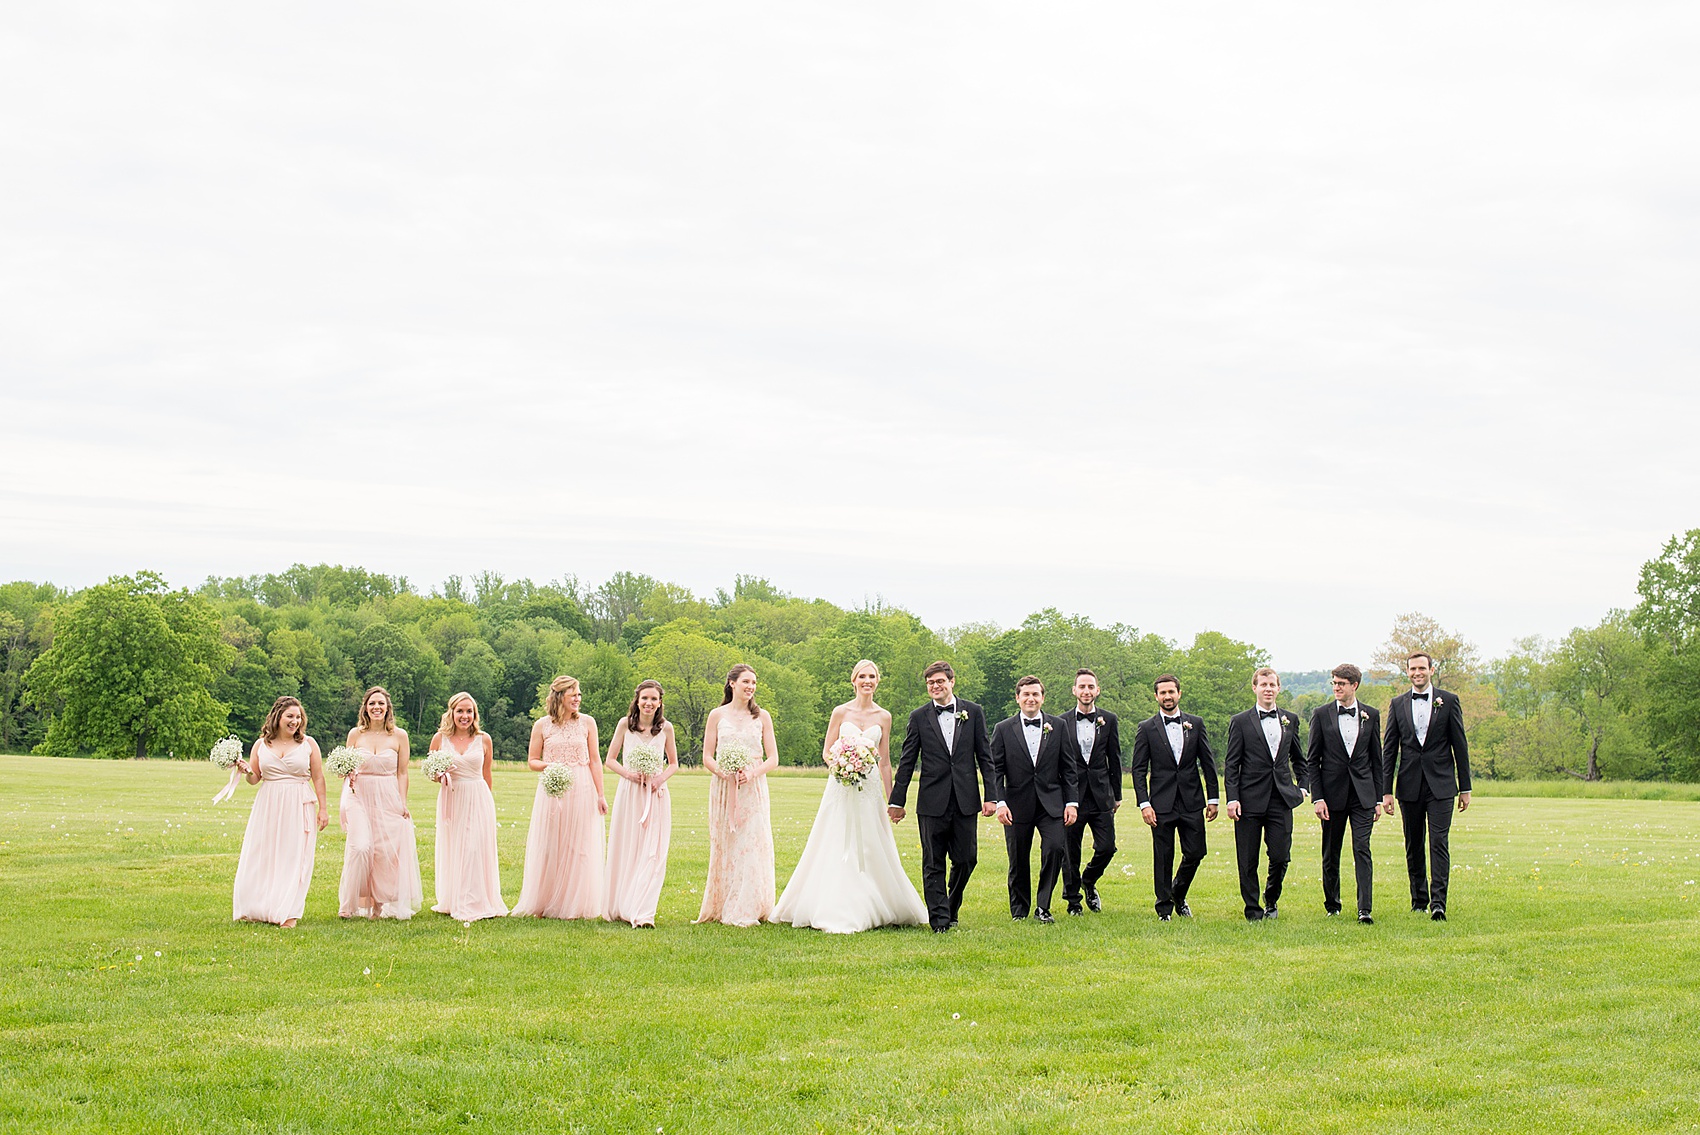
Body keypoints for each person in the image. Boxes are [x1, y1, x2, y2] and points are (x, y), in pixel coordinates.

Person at [775, 660, 929, 932]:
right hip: (841, 785)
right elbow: (826, 750)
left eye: (871, 676)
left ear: (877, 681)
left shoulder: (884, 716)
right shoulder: (840, 712)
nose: (867, 681)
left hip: (868, 789)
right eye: (862, 676)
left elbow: (883, 761)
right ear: (854, 680)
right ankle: (834, 904)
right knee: (835, 838)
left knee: (871, 841)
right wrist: (841, 763)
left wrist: (892, 799)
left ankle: (876, 900)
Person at [888, 660, 998, 933]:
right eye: (930, 683)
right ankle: (939, 920)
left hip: (965, 799)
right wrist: (896, 800)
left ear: (951, 682)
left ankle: (951, 906)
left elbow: (985, 756)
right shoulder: (918, 716)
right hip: (931, 801)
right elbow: (907, 760)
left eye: (940, 682)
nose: (935, 687)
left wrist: (992, 796)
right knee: (933, 861)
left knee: (966, 859)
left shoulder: (974, 712)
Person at [1382, 651, 1471, 921]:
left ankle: (1438, 903)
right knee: (1413, 843)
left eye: (1422, 668)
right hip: (1409, 784)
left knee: (1438, 842)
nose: (1417, 673)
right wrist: (1386, 790)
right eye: (1412, 669)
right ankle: (1418, 899)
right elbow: (1390, 750)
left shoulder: (1449, 701)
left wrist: (1465, 787)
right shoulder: (1397, 704)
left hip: (1442, 785)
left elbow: (1460, 746)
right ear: (1407, 672)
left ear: (1431, 670)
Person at [514, 675, 609, 919]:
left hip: (583, 787)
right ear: (560, 697)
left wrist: (601, 794)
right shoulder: (542, 725)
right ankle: (546, 901)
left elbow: (595, 760)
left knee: (579, 845)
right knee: (551, 843)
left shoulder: (587, 723)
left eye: (579, 694)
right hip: (553, 789)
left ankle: (576, 904)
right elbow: (532, 761)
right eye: (573, 694)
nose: (578, 698)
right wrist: (552, 768)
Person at [231, 696, 328, 927]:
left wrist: (323, 809)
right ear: (278, 717)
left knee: (294, 856)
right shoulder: (261, 745)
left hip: (298, 803)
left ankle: (288, 912)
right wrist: (245, 770)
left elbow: (318, 777)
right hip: (269, 803)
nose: (295, 721)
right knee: (263, 854)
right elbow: (255, 779)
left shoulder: (308, 744)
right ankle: (258, 906)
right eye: (290, 716)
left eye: (298, 717)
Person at [989, 676, 1079, 922]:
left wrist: (1072, 802)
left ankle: (1043, 906)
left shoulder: (1058, 726)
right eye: (1026, 694)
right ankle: (1019, 910)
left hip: (1052, 803)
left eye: (1035, 694)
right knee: (1018, 857)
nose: (1031, 699)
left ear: (1042, 698)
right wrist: (1000, 802)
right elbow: (995, 769)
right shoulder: (1003, 729)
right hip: (1016, 805)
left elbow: (1069, 768)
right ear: (1017, 698)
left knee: (1055, 848)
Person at [695, 664, 779, 926]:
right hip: (724, 785)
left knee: (751, 842)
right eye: (745, 682)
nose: (750, 687)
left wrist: (751, 773)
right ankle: (723, 903)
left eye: (754, 682)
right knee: (727, 841)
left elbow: (774, 758)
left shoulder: (762, 716)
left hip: (752, 787)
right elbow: (707, 756)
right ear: (732, 683)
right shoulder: (716, 715)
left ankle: (749, 905)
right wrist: (724, 772)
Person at [1129, 674, 1219, 921]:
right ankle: (1164, 908)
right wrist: (1144, 803)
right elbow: (1138, 769)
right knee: (1163, 856)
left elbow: (1208, 764)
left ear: (1179, 693)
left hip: (1192, 800)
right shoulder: (1146, 728)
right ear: (1156, 696)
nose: (1167, 696)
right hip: (1160, 803)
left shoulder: (1196, 724)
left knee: (1196, 852)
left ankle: (1178, 892)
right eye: (1163, 692)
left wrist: (1214, 798)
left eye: (1171, 691)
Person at [1224, 668, 1308, 921]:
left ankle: (1271, 899)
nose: (1268, 688)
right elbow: (1232, 764)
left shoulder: (1290, 719)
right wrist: (1232, 798)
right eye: (1263, 684)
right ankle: (1252, 910)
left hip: (1281, 798)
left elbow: (1299, 758)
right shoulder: (1240, 721)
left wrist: (1303, 787)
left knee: (1281, 855)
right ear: (1255, 688)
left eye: (1272, 684)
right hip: (1248, 800)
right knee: (1247, 859)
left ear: (1279, 688)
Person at [336, 685, 423, 919]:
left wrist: (402, 803)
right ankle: (350, 903)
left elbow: (402, 772)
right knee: (361, 847)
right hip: (359, 795)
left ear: (388, 708)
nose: (376, 707)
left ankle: (379, 903)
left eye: (381, 704)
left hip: (387, 794)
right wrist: (344, 772)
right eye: (372, 703)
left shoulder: (399, 735)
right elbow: (346, 766)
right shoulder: (356, 734)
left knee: (384, 851)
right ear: (365, 707)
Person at [1306, 664, 1384, 924]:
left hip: (1362, 795)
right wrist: (1318, 798)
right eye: (1334, 683)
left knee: (1362, 848)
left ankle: (1365, 909)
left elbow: (1376, 759)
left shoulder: (1371, 715)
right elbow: (1312, 760)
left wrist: (1377, 798)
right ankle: (1333, 904)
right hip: (1331, 796)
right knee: (1331, 852)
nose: (1337, 687)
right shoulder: (1321, 714)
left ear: (1355, 685)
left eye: (1341, 683)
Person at [604, 680, 679, 927]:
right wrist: (630, 775)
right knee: (629, 847)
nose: (649, 703)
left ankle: (644, 913)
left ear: (660, 704)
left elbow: (674, 763)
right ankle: (624, 904)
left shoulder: (666, 728)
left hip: (656, 795)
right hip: (631, 793)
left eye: (654, 699)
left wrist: (659, 779)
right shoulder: (625, 725)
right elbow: (610, 760)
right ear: (637, 700)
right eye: (645, 698)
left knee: (652, 852)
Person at [428, 691, 508, 921]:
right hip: (452, 797)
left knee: (474, 847)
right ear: (451, 713)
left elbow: (487, 774)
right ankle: (455, 899)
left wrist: (489, 805)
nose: (465, 716)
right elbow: (431, 772)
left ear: (475, 714)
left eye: (469, 711)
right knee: (455, 847)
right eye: (460, 711)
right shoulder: (439, 739)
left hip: (478, 796)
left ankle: (473, 902)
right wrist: (437, 775)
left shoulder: (484, 739)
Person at [1059, 668, 1122, 913]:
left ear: (1097, 690)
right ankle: (1073, 901)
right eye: (1082, 687)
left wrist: (1117, 795)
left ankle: (1089, 880)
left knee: (1107, 847)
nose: (1086, 691)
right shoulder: (1060, 722)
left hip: (1100, 795)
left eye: (1090, 687)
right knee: (1070, 851)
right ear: (1074, 690)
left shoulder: (1109, 719)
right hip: (1071, 796)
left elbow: (1114, 759)